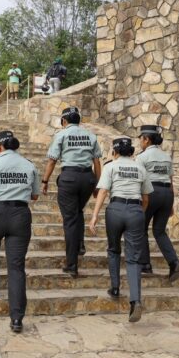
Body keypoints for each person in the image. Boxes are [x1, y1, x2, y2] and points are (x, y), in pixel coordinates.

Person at [0, 130, 40, 333]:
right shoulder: (29, 165)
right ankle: (16, 319)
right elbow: (35, 196)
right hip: (20, 215)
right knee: (16, 267)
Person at [89, 137, 152, 323]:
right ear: (131, 152)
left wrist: (94, 216)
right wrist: (139, 213)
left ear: (114, 152)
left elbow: (103, 191)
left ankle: (115, 287)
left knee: (113, 249)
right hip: (135, 210)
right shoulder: (140, 168)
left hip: (115, 210)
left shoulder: (111, 167)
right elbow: (146, 198)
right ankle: (135, 300)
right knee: (133, 258)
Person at [41, 106, 102, 277]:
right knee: (77, 211)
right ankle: (80, 243)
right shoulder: (90, 135)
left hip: (69, 179)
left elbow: (52, 161)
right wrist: (97, 185)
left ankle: (72, 264)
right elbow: (97, 162)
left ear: (64, 120)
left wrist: (45, 181)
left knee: (69, 220)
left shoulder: (61, 135)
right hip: (88, 179)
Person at [136, 125, 179, 282]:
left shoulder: (142, 157)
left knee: (141, 227)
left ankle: (145, 264)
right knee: (159, 231)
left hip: (151, 193)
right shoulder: (166, 157)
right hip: (167, 195)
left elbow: (139, 181)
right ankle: (174, 262)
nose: (139, 142)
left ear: (146, 139)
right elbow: (171, 181)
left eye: (140, 139)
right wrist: (171, 204)